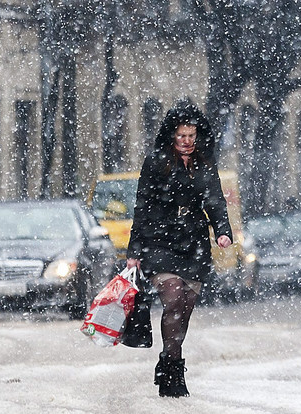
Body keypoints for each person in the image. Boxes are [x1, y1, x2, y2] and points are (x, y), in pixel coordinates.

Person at [126, 100, 232, 398]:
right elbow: (142, 205)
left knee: (185, 305)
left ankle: (171, 359)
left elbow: (215, 199)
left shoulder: (205, 163)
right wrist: (135, 249)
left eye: (191, 136)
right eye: (181, 135)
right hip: (160, 239)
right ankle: (172, 366)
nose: (186, 141)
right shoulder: (156, 161)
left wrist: (223, 232)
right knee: (173, 296)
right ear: (172, 135)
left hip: (194, 242)